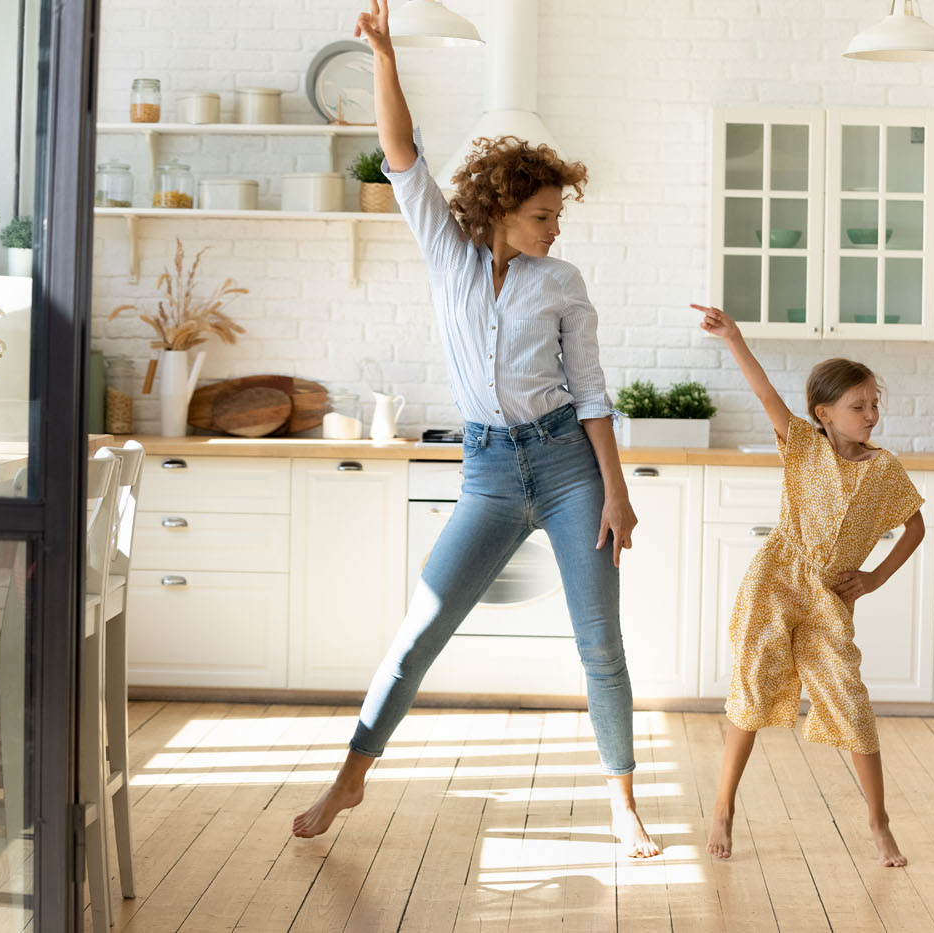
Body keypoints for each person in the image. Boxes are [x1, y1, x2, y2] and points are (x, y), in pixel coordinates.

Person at [292, 0, 661, 859]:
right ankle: (350, 776)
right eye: (542, 214)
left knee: (598, 641)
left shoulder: (563, 281)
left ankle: (623, 802)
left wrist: (616, 491)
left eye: (558, 215)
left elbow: (594, 394)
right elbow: (402, 156)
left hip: (570, 467)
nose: (555, 226)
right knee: (421, 627)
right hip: (490, 474)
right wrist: (383, 54)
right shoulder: (447, 255)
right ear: (501, 211)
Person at [691, 304, 927, 867]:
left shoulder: (884, 469)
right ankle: (723, 806)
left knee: (850, 700)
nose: (871, 414)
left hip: (827, 598)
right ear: (824, 413)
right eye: (858, 406)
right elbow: (764, 390)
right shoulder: (801, 445)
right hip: (776, 582)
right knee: (751, 690)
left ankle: (879, 820)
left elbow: (914, 526)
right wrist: (734, 337)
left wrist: (873, 578)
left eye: (875, 405)